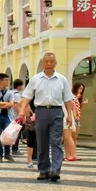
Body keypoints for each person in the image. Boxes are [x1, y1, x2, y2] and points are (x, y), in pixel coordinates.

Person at [17, 52, 73, 183]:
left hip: (57, 112)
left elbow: (68, 99)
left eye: (51, 61)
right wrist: (22, 111)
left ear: (55, 63)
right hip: (41, 112)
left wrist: (70, 115)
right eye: (46, 61)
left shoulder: (61, 79)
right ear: (43, 63)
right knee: (41, 142)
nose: (48, 64)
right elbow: (27, 96)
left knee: (55, 142)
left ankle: (55, 170)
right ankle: (43, 170)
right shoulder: (36, 79)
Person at [0, 74, 16, 163]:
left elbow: (12, 104)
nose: (7, 82)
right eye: (5, 80)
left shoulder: (10, 92)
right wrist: (6, 103)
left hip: (8, 116)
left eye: (8, 80)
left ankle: (7, 154)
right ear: (0, 81)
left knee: (8, 136)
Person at [65, 83, 86, 162]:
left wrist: (82, 104)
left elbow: (77, 108)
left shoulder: (77, 98)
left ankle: (72, 153)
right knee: (70, 136)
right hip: (73, 118)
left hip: (77, 118)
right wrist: (77, 97)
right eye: (80, 88)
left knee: (75, 137)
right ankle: (70, 154)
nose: (81, 90)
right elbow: (71, 103)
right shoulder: (72, 96)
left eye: (82, 89)